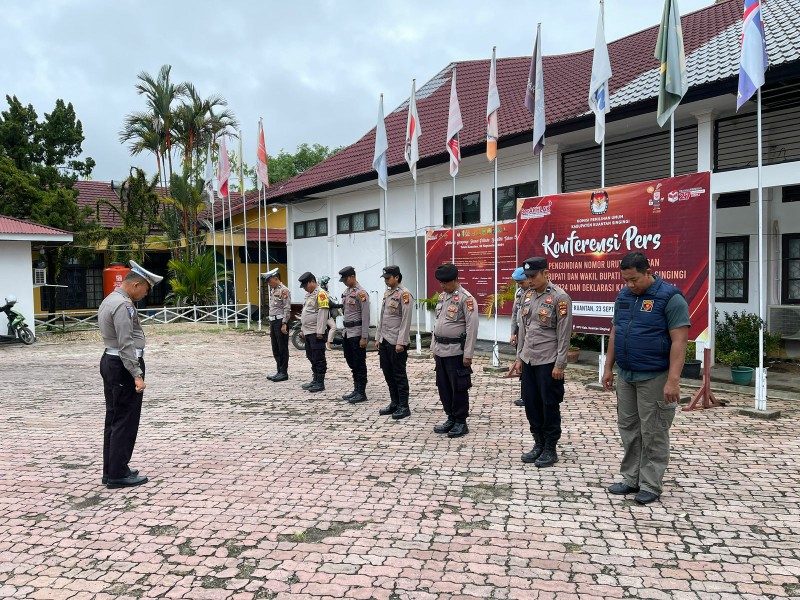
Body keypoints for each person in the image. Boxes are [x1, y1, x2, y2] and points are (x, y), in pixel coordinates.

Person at [601, 251, 690, 505]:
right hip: (627, 375)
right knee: (629, 428)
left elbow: (679, 341)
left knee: (653, 430)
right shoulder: (624, 296)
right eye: (625, 280)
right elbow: (615, 331)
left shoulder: (670, 298)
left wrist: (673, 380)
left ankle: (651, 483)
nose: (630, 285)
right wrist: (608, 367)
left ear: (648, 272)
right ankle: (631, 478)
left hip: (655, 376)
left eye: (634, 279)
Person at [98, 260, 162, 489]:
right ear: (136, 285)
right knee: (125, 420)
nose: (145, 294)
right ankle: (117, 474)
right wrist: (136, 373)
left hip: (111, 361)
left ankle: (113, 469)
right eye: (145, 289)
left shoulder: (109, 299)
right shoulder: (123, 305)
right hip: (123, 365)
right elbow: (126, 344)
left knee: (114, 418)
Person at [508, 257, 572, 468]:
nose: (530, 280)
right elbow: (523, 330)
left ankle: (550, 448)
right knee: (531, 404)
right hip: (528, 360)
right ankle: (538, 442)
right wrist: (518, 358)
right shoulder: (526, 296)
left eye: (533, 276)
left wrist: (560, 364)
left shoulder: (559, 298)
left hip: (548, 361)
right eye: (527, 277)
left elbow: (564, 334)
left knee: (549, 404)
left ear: (546, 273)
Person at [431, 263, 479, 438]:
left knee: (458, 387)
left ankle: (460, 421)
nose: (443, 286)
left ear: (456, 280)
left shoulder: (466, 299)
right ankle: (450, 417)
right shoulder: (442, 297)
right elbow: (438, 323)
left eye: (446, 282)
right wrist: (433, 347)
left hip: (456, 351)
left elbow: (472, 327)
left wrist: (468, 354)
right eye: (441, 283)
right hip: (441, 350)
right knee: (443, 387)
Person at [375, 265, 413, 419]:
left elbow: (406, 320)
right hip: (385, 340)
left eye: (388, 278)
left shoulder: (405, 295)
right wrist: (378, 337)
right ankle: (394, 403)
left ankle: (404, 406)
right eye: (384, 278)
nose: (386, 281)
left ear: (397, 277)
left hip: (397, 342)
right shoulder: (388, 294)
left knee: (399, 375)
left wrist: (401, 342)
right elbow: (382, 317)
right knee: (388, 373)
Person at [338, 266, 371, 404]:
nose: (344, 282)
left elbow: (366, 316)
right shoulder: (346, 292)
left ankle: (361, 392)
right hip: (347, 333)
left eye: (345, 279)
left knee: (359, 363)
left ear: (352, 276)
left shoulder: (361, 293)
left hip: (357, 333)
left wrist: (364, 337)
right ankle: (356, 388)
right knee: (351, 361)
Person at [298, 271, 330, 393]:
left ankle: (320, 382)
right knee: (310, 356)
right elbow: (306, 313)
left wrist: (320, 331)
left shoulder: (321, 294)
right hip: (308, 331)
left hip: (316, 332)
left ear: (312, 281)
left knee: (319, 357)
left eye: (306, 285)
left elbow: (323, 313)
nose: (305, 288)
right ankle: (315, 379)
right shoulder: (309, 295)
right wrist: (302, 329)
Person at [264, 268, 291, 382]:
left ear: (276, 279)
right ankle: (279, 370)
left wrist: (284, 323)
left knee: (282, 347)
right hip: (273, 321)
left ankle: (284, 372)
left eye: (270, 281)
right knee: (275, 347)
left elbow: (287, 308)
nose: (269, 284)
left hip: (280, 321)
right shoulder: (273, 290)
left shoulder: (284, 290)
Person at [509, 266, 529, 408]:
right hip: (519, 332)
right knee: (520, 362)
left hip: (529, 334)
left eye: (521, 282)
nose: (519, 285)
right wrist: (512, 333)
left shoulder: (533, 293)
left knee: (527, 364)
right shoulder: (519, 293)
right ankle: (524, 394)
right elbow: (515, 314)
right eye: (518, 283)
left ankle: (528, 395)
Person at [319, 276, 341, 350]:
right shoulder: (322, 293)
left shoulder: (323, 292)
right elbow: (330, 304)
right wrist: (340, 305)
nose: (327, 285)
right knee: (333, 327)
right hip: (325, 314)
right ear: (323, 284)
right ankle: (328, 343)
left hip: (324, 314)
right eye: (326, 284)